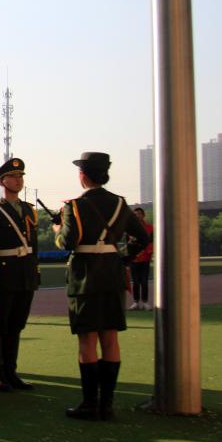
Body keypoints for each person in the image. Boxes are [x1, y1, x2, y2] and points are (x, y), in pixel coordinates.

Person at [54, 152, 150, 420]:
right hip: (112, 275)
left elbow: (67, 242)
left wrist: (57, 230)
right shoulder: (120, 203)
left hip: (84, 278)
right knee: (110, 339)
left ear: (83, 175)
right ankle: (107, 405)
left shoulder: (74, 206)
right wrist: (122, 259)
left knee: (87, 340)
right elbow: (142, 237)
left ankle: (89, 404)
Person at [0, 158, 39, 392]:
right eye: (13, 177)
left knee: (16, 325)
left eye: (20, 176)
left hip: (25, 274)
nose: (18, 180)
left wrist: (35, 272)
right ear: (2, 181)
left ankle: (11, 372)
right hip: (4, 275)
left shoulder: (29, 210)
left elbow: (34, 246)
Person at [128, 208, 153, 310]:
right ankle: (136, 302)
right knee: (135, 282)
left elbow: (151, 242)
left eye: (139, 214)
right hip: (134, 259)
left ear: (143, 215)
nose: (137, 216)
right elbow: (128, 244)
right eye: (135, 214)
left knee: (144, 281)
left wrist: (146, 252)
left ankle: (145, 302)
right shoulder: (129, 229)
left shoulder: (149, 228)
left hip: (145, 258)